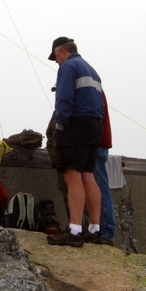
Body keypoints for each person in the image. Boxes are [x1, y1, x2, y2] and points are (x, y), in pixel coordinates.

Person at [46, 37, 104, 248]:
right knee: (88, 174)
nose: (56, 62)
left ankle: (74, 231)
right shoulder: (92, 69)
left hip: (75, 125)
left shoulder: (68, 66)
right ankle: (95, 229)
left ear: (61, 51)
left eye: (56, 58)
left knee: (72, 175)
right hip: (95, 124)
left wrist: (60, 125)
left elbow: (64, 98)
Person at [93, 91, 117, 245]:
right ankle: (100, 229)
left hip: (96, 144)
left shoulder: (92, 91)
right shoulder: (95, 89)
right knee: (98, 186)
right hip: (98, 144)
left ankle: (106, 231)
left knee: (100, 186)